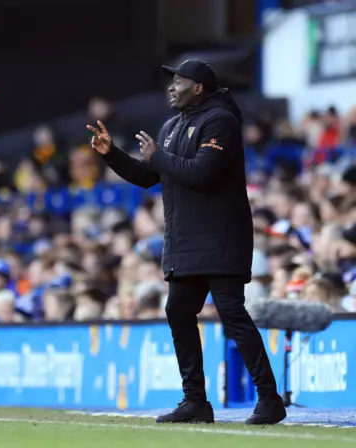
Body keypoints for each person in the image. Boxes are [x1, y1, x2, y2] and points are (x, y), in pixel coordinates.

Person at [88, 60, 286, 425]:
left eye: (178, 82)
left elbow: (202, 173)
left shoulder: (221, 121)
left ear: (198, 87)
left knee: (232, 313)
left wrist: (158, 157)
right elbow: (149, 175)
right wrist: (111, 154)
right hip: (185, 240)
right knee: (178, 311)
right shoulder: (171, 126)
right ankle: (195, 400)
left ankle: (270, 399)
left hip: (221, 236)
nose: (170, 88)